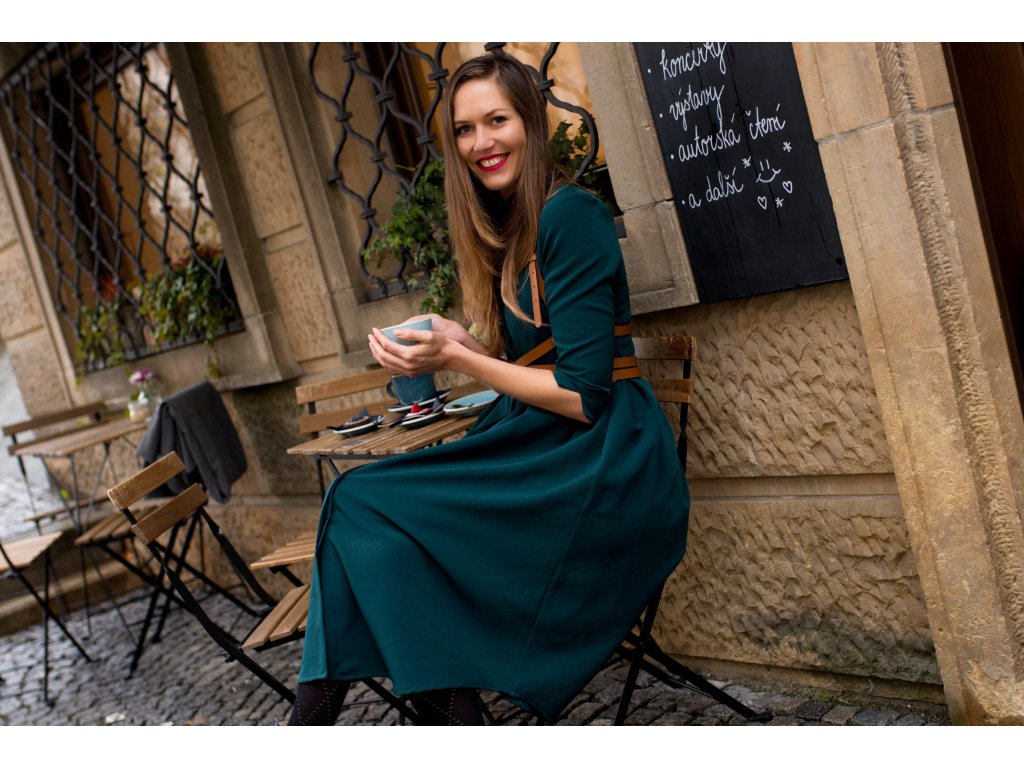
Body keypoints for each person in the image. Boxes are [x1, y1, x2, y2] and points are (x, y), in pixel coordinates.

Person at [288, 50, 690, 726]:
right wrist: (462, 342)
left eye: (496, 120)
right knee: (371, 523)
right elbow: (542, 362)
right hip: (544, 446)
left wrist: (457, 359)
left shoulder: (571, 217)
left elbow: (582, 393)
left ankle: (325, 726)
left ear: (530, 120)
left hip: (600, 465)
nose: (481, 142)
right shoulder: (515, 228)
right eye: (465, 130)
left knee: (361, 503)